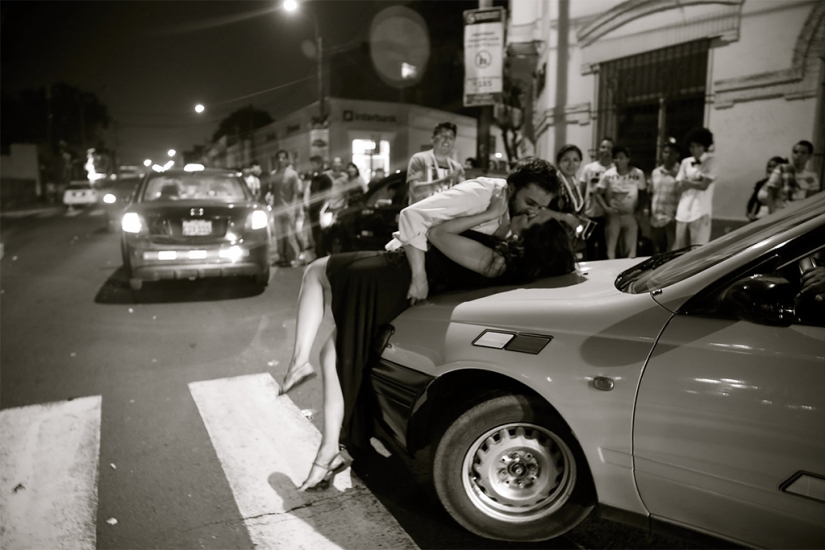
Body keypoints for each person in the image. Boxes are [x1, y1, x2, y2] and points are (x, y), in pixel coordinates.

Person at [278, 188, 577, 491]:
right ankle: (330, 448)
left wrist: (487, 214)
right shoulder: (509, 261)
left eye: (532, 219)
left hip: (399, 277)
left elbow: (437, 232)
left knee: (317, 273)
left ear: (533, 242)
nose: (529, 215)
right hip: (406, 281)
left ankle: (307, 388)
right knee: (334, 355)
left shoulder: (496, 260)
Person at [387, 157, 563, 302]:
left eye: (540, 207)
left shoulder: (518, 219)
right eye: (530, 203)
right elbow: (412, 215)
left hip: (434, 287)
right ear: (511, 189)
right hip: (405, 270)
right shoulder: (480, 194)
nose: (533, 211)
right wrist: (419, 278)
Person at [593, 145, 647, 259]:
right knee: (611, 248)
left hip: (630, 215)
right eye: (615, 158)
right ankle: (611, 272)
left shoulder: (638, 174)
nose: (618, 161)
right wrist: (606, 209)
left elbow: (643, 194)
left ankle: (629, 272)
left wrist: (639, 210)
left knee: (630, 248)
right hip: (614, 216)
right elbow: (597, 193)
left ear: (628, 159)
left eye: (621, 157)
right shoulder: (608, 174)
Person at [674, 127, 718, 249]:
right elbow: (677, 186)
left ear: (704, 146)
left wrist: (687, 182)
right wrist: (695, 182)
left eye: (698, 146)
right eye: (692, 146)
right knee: (680, 251)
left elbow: (704, 186)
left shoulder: (712, 162)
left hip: (700, 212)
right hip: (683, 211)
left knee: (698, 251)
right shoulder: (686, 162)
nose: (694, 149)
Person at [407, 122, 465, 204]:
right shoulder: (419, 159)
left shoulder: (456, 167)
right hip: (422, 215)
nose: (447, 140)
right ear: (433, 139)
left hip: (446, 215)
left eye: (451, 137)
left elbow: (463, 195)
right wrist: (445, 181)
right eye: (443, 135)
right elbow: (416, 191)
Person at [758, 141, 820, 214]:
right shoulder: (781, 169)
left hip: (798, 214)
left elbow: (811, 200)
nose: (798, 155)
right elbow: (771, 195)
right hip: (780, 213)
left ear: (809, 156)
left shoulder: (812, 176)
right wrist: (772, 214)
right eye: (795, 152)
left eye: (803, 153)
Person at [266, 150, 303, 267]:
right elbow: (272, 191)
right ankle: (281, 257)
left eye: (283, 158)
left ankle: (291, 257)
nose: (281, 160)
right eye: (279, 158)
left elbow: (296, 193)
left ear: (287, 159)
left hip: (288, 209)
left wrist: (292, 209)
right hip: (277, 209)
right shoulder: (273, 174)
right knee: (279, 236)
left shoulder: (292, 174)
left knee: (289, 235)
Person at [579, 137, 614, 260]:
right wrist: (581, 209)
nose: (606, 150)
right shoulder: (589, 168)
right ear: (599, 149)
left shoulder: (614, 169)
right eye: (603, 147)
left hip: (607, 215)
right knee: (588, 245)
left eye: (609, 148)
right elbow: (582, 189)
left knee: (604, 247)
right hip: (590, 213)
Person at [649, 139, 682, 254]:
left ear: (677, 155)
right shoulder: (655, 172)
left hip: (671, 219)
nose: (668, 155)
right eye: (666, 152)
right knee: (654, 251)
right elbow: (651, 193)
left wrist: (675, 216)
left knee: (670, 252)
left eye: (671, 153)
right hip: (655, 219)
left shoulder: (681, 174)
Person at [745, 156, 786, 221]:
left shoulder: (785, 184)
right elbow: (752, 200)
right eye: (769, 166)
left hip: (776, 217)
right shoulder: (761, 183)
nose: (770, 169)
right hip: (758, 218)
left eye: (774, 167)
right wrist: (749, 213)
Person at [307, 155, 333, 257]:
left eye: (313, 164)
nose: (312, 166)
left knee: (321, 235)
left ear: (319, 164)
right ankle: (318, 255)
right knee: (315, 234)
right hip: (313, 209)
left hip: (321, 211)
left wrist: (322, 210)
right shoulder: (314, 178)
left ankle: (322, 256)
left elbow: (328, 196)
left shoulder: (326, 179)